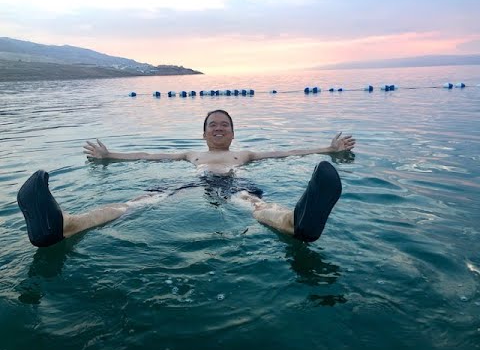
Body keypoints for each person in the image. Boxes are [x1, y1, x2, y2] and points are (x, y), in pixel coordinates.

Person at [17, 109, 355, 247]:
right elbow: (147, 156)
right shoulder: (191, 155)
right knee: (138, 201)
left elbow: (286, 153)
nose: (219, 128)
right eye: (213, 125)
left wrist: (327, 148)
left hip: (233, 183)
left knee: (254, 203)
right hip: (194, 182)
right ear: (204, 134)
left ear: (234, 133)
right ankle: (65, 225)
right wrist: (110, 156)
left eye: (225, 124)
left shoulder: (246, 155)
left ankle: (297, 221)